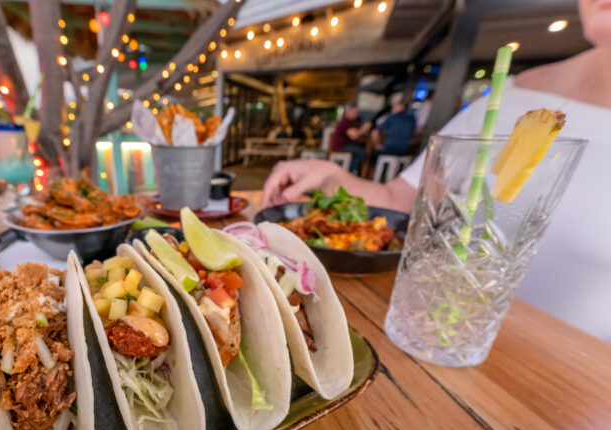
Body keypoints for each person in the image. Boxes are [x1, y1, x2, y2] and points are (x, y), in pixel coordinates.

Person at [262, 0, 611, 343]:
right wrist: (329, 174)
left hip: (579, 379)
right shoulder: (504, 98)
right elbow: (403, 203)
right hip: (431, 332)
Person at [329, 100, 372, 173]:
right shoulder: (346, 121)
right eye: (355, 112)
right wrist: (364, 128)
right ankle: (348, 172)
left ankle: (347, 170)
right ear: (350, 111)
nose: (357, 114)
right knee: (362, 153)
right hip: (341, 147)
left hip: (342, 146)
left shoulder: (347, 121)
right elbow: (354, 136)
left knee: (359, 151)